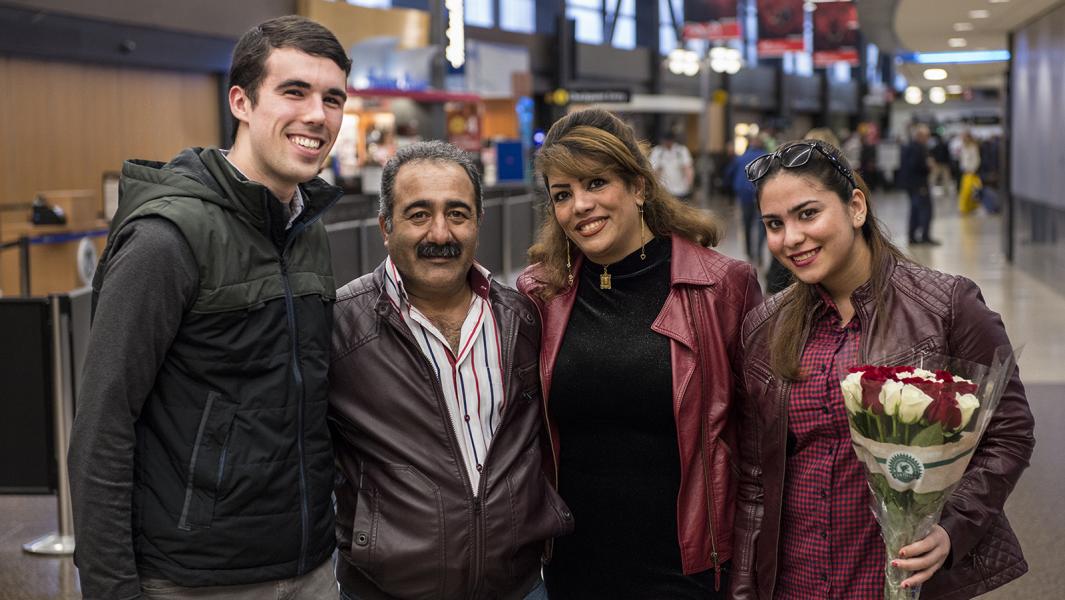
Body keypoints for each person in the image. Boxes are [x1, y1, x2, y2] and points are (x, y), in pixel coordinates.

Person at [67, 16, 350, 600]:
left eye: (333, 98)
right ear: (241, 101)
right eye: (294, 91)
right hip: (196, 578)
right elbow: (103, 427)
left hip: (310, 566)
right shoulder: (167, 238)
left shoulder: (306, 229)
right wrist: (112, 588)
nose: (317, 115)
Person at [730, 139, 1035, 599]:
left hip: (896, 577)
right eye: (775, 224)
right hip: (796, 578)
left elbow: (1009, 431)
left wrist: (952, 529)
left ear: (856, 207)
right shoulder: (764, 328)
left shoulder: (946, 306)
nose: (790, 238)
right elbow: (755, 476)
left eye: (808, 214)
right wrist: (744, 589)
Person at [517, 109, 762, 598]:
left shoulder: (720, 287)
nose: (580, 205)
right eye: (562, 194)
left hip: (685, 569)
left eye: (596, 183)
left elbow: (759, 442)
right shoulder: (540, 295)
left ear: (640, 187)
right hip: (573, 567)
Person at [328, 141, 572, 600]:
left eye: (457, 214)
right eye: (419, 214)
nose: (440, 233)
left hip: (516, 588)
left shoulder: (522, 319)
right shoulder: (341, 326)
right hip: (387, 591)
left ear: (478, 223)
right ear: (385, 226)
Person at [724, 134, 769, 265]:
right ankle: (759, 252)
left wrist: (730, 187)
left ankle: (749, 253)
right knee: (762, 225)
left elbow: (729, 173)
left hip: (744, 195)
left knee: (747, 224)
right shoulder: (766, 156)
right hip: (761, 194)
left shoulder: (741, 157)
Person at [899, 124, 939, 245]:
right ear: (920, 136)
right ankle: (924, 236)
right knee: (925, 210)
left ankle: (913, 236)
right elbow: (915, 166)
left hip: (912, 184)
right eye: (926, 136)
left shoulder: (910, 146)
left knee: (915, 210)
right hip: (919, 184)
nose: (928, 139)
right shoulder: (918, 148)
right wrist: (928, 166)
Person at [650, 130, 695, 201]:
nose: (668, 143)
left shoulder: (681, 151)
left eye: (669, 140)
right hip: (664, 191)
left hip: (680, 190)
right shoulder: (657, 151)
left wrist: (690, 184)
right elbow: (653, 170)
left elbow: (688, 168)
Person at [957, 131, 982, 214]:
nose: (963, 139)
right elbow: (962, 160)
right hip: (965, 171)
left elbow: (976, 160)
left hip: (971, 172)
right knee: (965, 191)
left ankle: (970, 207)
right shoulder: (963, 147)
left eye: (964, 137)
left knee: (970, 191)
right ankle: (964, 208)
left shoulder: (973, 147)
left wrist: (973, 169)